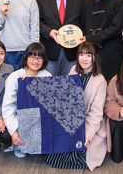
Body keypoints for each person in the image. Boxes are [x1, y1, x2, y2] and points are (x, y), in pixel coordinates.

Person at [45, 42, 107, 171]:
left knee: (82, 156)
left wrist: (88, 136)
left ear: (94, 57)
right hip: (71, 122)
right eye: (81, 54)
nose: (84, 59)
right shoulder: (73, 70)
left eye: (88, 55)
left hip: (89, 124)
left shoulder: (100, 80)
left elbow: (96, 114)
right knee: (53, 156)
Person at [2, 42, 52, 158]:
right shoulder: (15, 77)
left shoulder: (47, 76)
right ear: (26, 57)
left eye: (39, 58)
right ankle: (17, 142)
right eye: (32, 57)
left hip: (41, 119)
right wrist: (14, 132)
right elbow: (8, 106)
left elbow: (51, 105)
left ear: (44, 61)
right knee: (21, 153)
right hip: (20, 119)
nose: (36, 61)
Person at [36, 0, 85, 76]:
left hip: (72, 52)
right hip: (50, 51)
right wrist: (49, 32)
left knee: (69, 86)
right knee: (49, 86)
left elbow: (84, 22)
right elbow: (37, 22)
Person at [81, 0, 123, 80]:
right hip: (91, 52)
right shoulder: (87, 4)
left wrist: (92, 37)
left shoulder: (118, 1)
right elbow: (83, 26)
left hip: (111, 53)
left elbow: (116, 28)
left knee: (111, 86)